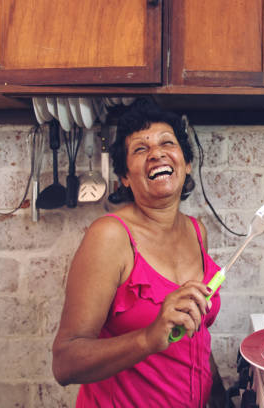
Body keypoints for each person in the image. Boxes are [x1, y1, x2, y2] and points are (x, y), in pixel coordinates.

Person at [52, 98, 224, 408]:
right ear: (126, 179)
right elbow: (65, 363)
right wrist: (148, 337)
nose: (156, 152)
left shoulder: (197, 232)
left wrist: (220, 396)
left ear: (186, 164)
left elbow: (194, 337)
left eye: (167, 143)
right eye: (140, 149)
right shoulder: (110, 236)